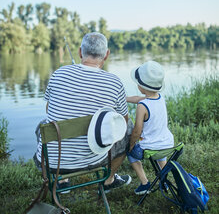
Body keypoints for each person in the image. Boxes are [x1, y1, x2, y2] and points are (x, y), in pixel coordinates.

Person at [34, 32, 132, 192]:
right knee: (128, 128)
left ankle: (62, 179)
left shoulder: (58, 74)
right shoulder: (115, 82)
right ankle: (109, 179)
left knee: (43, 125)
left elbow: (48, 109)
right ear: (106, 55)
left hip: (52, 162)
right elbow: (124, 120)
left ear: (80, 52)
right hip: (96, 159)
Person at [126, 60, 174, 195]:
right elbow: (139, 99)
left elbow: (137, 131)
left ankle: (144, 183)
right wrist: (125, 98)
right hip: (167, 145)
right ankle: (164, 181)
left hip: (151, 148)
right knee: (159, 150)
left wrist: (131, 144)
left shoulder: (142, 107)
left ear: (142, 87)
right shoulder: (160, 98)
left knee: (130, 153)